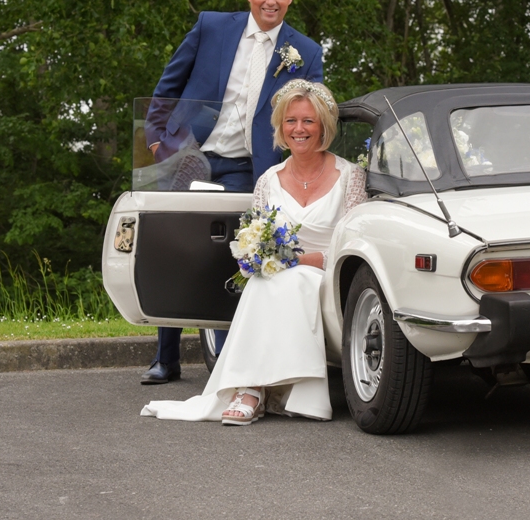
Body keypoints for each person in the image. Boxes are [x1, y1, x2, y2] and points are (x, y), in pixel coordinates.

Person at [140, 0, 324, 385]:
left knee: (231, 254)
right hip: (189, 155)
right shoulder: (211, 26)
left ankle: (225, 356)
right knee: (174, 249)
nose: (270, 1)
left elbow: (311, 112)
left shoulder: (306, 52)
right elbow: (169, 84)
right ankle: (166, 358)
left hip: (247, 167)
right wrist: (155, 138)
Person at [141, 80, 367, 424]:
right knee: (265, 280)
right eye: (291, 121)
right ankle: (253, 389)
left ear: (323, 126)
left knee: (288, 279)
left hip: (329, 275)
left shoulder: (351, 176)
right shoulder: (268, 180)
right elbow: (256, 237)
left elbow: (356, 245)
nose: (299, 129)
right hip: (280, 276)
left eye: (308, 121)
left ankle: (250, 391)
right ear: (280, 127)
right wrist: (261, 256)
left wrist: (302, 260)